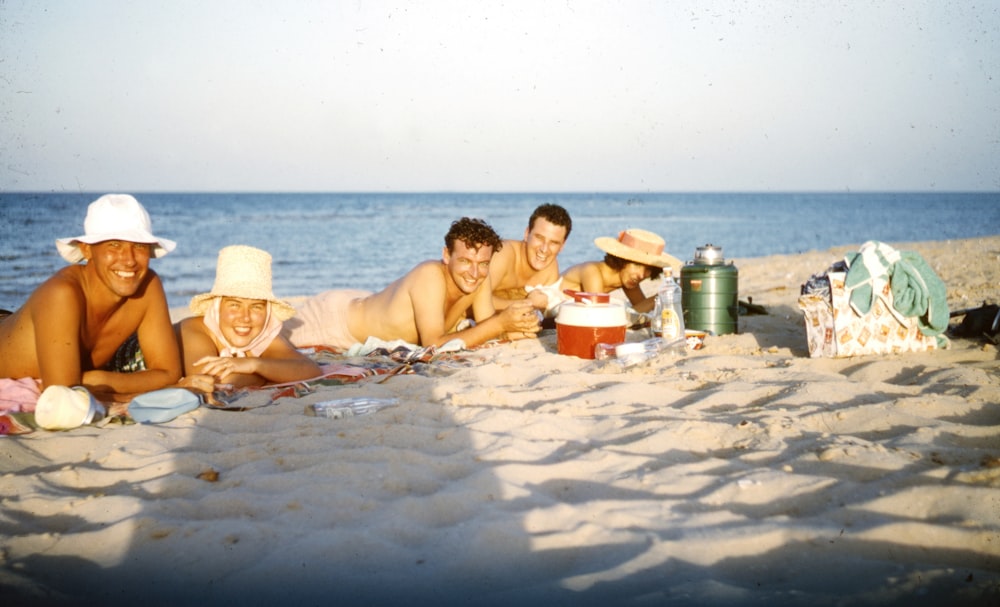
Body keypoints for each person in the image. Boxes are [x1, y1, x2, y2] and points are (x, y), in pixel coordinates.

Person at [0, 194, 182, 404]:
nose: (129, 260)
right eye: (114, 245)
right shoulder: (62, 293)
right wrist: (132, 393)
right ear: (87, 249)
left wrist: (98, 378)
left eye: (139, 246)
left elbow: (169, 372)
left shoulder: (147, 285)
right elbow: (63, 394)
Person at [284, 217, 542, 350]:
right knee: (260, 345)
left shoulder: (478, 279)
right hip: (334, 319)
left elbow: (487, 329)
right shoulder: (429, 275)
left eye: (483, 263)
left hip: (369, 305)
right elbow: (434, 343)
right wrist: (500, 322)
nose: (474, 272)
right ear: (446, 255)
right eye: (464, 260)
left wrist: (520, 325)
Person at [175, 245, 321, 393]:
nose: (245, 317)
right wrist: (265, 374)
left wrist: (254, 364)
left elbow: (310, 369)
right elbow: (208, 381)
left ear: (267, 311)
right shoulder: (193, 329)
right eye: (234, 305)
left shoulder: (262, 336)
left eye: (256, 307)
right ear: (217, 307)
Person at [560, 228, 683, 314]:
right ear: (621, 259)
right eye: (636, 264)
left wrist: (664, 296)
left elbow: (643, 310)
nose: (641, 275)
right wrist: (658, 297)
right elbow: (599, 315)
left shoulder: (629, 279)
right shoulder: (592, 272)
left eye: (648, 269)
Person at [488, 204, 572, 314]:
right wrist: (528, 303)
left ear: (562, 246)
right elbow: (474, 299)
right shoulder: (503, 254)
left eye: (554, 243)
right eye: (539, 238)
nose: (544, 249)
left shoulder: (550, 269)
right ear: (527, 234)